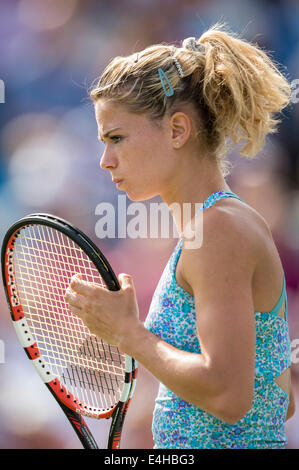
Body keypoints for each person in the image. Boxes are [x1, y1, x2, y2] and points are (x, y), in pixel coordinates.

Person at [65, 24, 295, 449]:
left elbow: (228, 396)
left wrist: (129, 334)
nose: (104, 160)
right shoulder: (220, 224)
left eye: (117, 138)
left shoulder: (218, 229)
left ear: (177, 130)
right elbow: (279, 398)